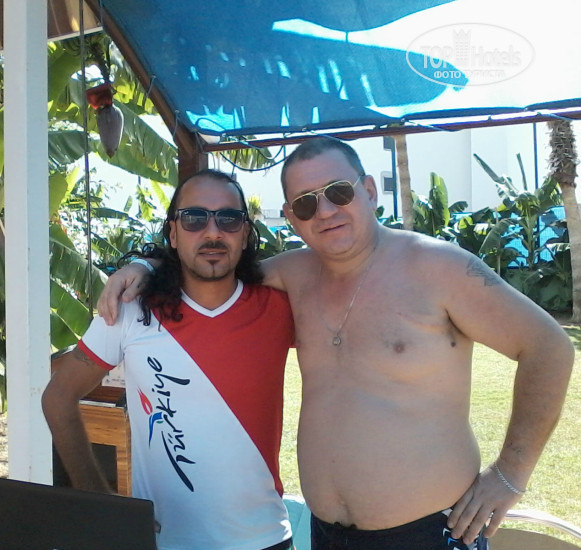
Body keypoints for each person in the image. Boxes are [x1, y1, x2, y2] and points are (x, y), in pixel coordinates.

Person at [97, 138, 574, 550]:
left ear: (369, 191)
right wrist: (145, 265)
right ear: (291, 217)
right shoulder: (290, 275)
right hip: (327, 534)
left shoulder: (438, 268)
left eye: (338, 192)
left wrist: (509, 474)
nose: (324, 211)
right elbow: (209, 266)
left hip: (429, 530)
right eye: (305, 204)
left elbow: (548, 347)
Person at [42, 169, 295, 550]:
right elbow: (58, 397)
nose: (213, 232)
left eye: (229, 219)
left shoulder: (280, 308)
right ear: (173, 234)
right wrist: (100, 501)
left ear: (245, 233)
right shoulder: (132, 310)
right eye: (194, 218)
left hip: (265, 539)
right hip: (165, 542)